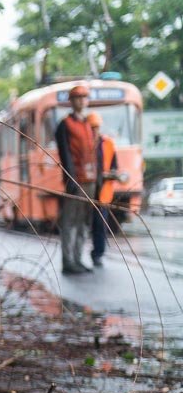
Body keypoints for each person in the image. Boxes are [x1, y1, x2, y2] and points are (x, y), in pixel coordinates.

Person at [54, 85, 97, 274]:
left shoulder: (88, 124)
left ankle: (78, 259)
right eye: (77, 97)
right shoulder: (65, 125)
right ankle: (68, 261)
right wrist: (70, 178)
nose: (81, 100)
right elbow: (65, 154)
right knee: (70, 221)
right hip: (76, 180)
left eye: (84, 97)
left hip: (90, 180)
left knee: (84, 221)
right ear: (71, 101)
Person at [86, 111, 124, 268]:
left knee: (100, 224)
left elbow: (114, 166)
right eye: (91, 127)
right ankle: (77, 257)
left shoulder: (108, 144)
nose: (94, 130)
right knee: (82, 225)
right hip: (86, 192)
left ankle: (98, 254)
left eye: (96, 127)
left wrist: (111, 174)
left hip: (102, 194)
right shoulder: (84, 144)